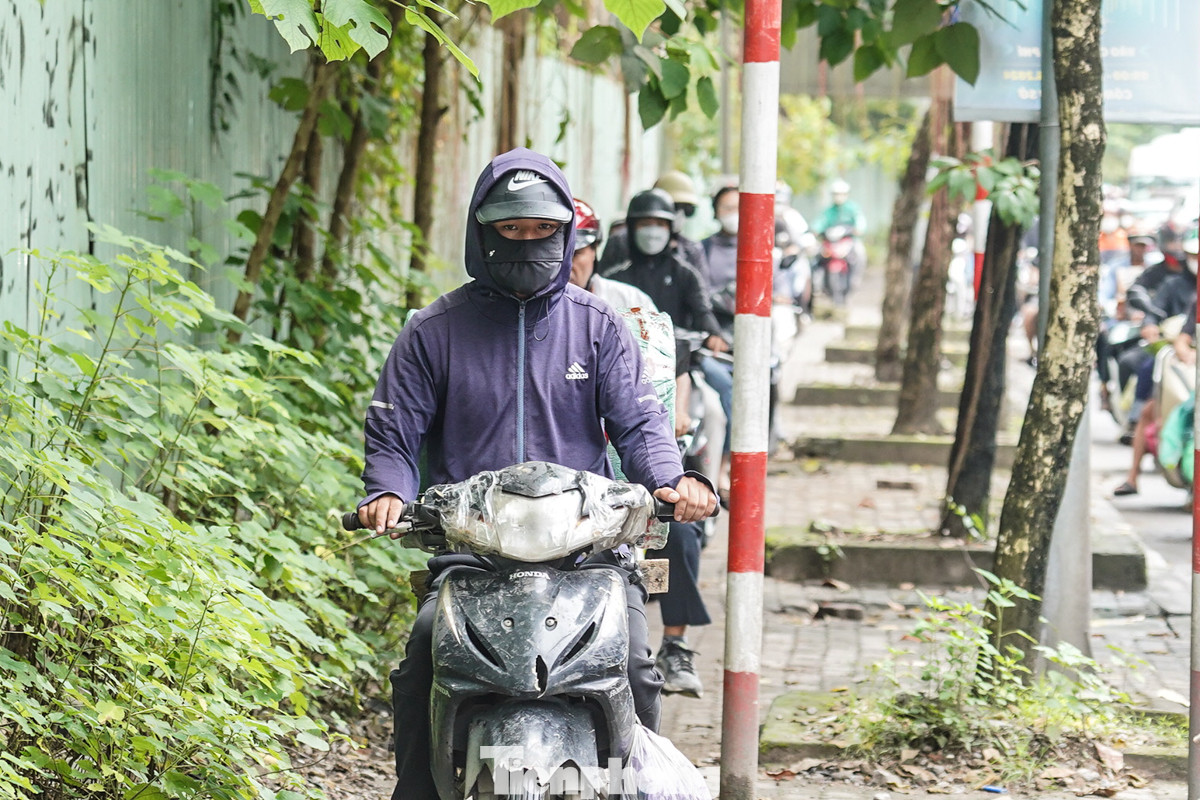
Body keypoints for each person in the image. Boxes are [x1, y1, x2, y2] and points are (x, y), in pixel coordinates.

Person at [357, 149, 718, 800]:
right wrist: (387, 491)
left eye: (543, 228)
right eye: (511, 228)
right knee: (417, 673)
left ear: (566, 232)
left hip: (589, 557)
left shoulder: (599, 326)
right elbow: (394, 432)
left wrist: (671, 479)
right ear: (482, 230)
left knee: (637, 669)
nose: (528, 241)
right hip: (471, 560)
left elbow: (641, 424)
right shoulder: (434, 331)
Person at [605, 188, 728, 697]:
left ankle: (675, 643)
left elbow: (670, 358)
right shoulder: (579, 300)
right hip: (580, 453)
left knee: (676, 524)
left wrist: (671, 412)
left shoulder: (635, 294)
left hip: (646, 417)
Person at [598, 170, 710, 279]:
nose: (680, 214)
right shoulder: (620, 242)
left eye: (687, 209)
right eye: (675, 206)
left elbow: (701, 287)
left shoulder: (691, 250)